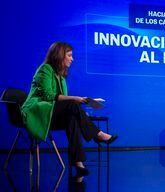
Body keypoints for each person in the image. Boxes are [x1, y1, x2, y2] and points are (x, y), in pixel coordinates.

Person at [21, 41, 117, 176]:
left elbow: (62, 102)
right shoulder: (45, 69)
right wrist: (76, 99)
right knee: (73, 104)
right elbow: (49, 96)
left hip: (51, 112)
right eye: (70, 55)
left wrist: (85, 101)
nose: (72, 59)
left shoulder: (61, 76)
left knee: (72, 117)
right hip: (37, 112)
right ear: (60, 55)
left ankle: (78, 162)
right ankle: (98, 134)